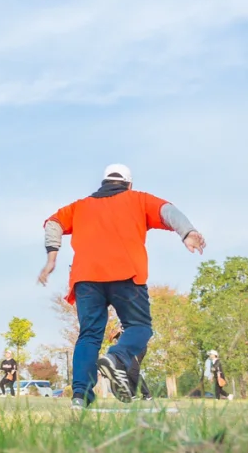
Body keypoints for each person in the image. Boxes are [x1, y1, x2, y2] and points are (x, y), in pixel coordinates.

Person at [37, 164, 206, 408]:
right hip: (126, 274)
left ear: (104, 182)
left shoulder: (80, 206)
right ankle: (117, 357)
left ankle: (80, 396)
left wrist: (52, 257)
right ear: (128, 184)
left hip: (86, 277)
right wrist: (187, 232)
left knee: (89, 335)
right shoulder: (138, 199)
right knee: (139, 326)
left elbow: (53, 223)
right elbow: (168, 210)